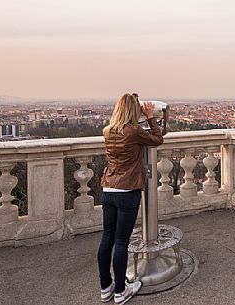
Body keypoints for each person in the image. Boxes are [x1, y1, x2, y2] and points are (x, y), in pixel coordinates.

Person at [98, 93, 166, 304]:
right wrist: (150, 116)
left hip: (108, 189)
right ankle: (120, 291)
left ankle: (105, 287)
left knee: (106, 239)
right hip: (127, 191)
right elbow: (158, 138)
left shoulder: (108, 131)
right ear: (133, 110)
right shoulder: (134, 131)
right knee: (121, 241)